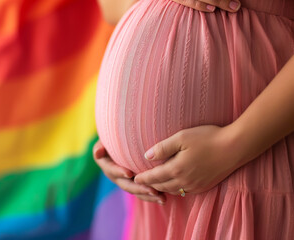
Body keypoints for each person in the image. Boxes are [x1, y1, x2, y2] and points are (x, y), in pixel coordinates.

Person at [93, 0, 294, 238]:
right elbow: (110, 8)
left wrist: (230, 146)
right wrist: (120, 139)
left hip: (249, 157)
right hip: (157, 196)